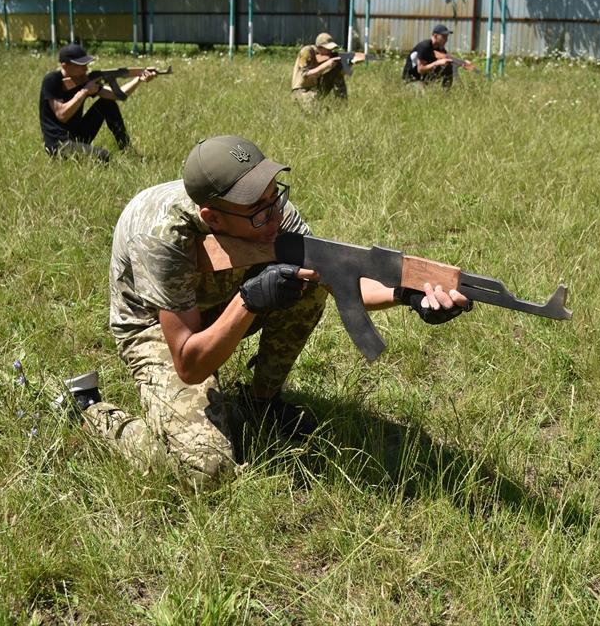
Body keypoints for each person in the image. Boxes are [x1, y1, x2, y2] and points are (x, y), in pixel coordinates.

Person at [73, 135, 472, 489]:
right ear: (213, 218)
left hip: (220, 301)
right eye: (259, 211)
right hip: (156, 325)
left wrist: (409, 294)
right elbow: (189, 364)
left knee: (308, 288)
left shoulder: (269, 210)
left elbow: (335, 279)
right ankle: (91, 410)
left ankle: (261, 401)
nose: (276, 216)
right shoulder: (160, 237)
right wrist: (248, 302)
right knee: (207, 471)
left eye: (274, 197)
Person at [39, 43, 155, 162]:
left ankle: (127, 151)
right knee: (103, 156)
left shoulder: (83, 80)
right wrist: (84, 92)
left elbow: (117, 95)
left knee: (107, 103)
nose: (86, 68)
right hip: (59, 144)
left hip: (77, 137)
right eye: (81, 65)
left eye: (86, 64)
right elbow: (62, 115)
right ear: (65, 65)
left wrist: (139, 79)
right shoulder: (52, 80)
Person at [290, 32, 356, 109]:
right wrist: (326, 65)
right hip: (301, 90)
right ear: (319, 47)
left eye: (331, 49)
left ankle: (342, 107)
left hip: (315, 87)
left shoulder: (326, 55)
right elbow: (306, 75)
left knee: (336, 71)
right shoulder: (307, 52)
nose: (330, 52)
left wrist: (347, 65)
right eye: (328, 49)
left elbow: (342, 74)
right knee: (318, 113)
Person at [402, 24, 474, 89]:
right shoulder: (424, 46)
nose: (446, 39)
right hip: (412, 80)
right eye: (443, 36)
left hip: (424, 79)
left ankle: (445, 93)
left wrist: (462, 63)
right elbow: (420, 70)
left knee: (448, 66)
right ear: (435, 36)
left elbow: (448, 59)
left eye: (447, 37)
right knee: (423, 93)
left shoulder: (439, 48)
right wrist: (437, 63)